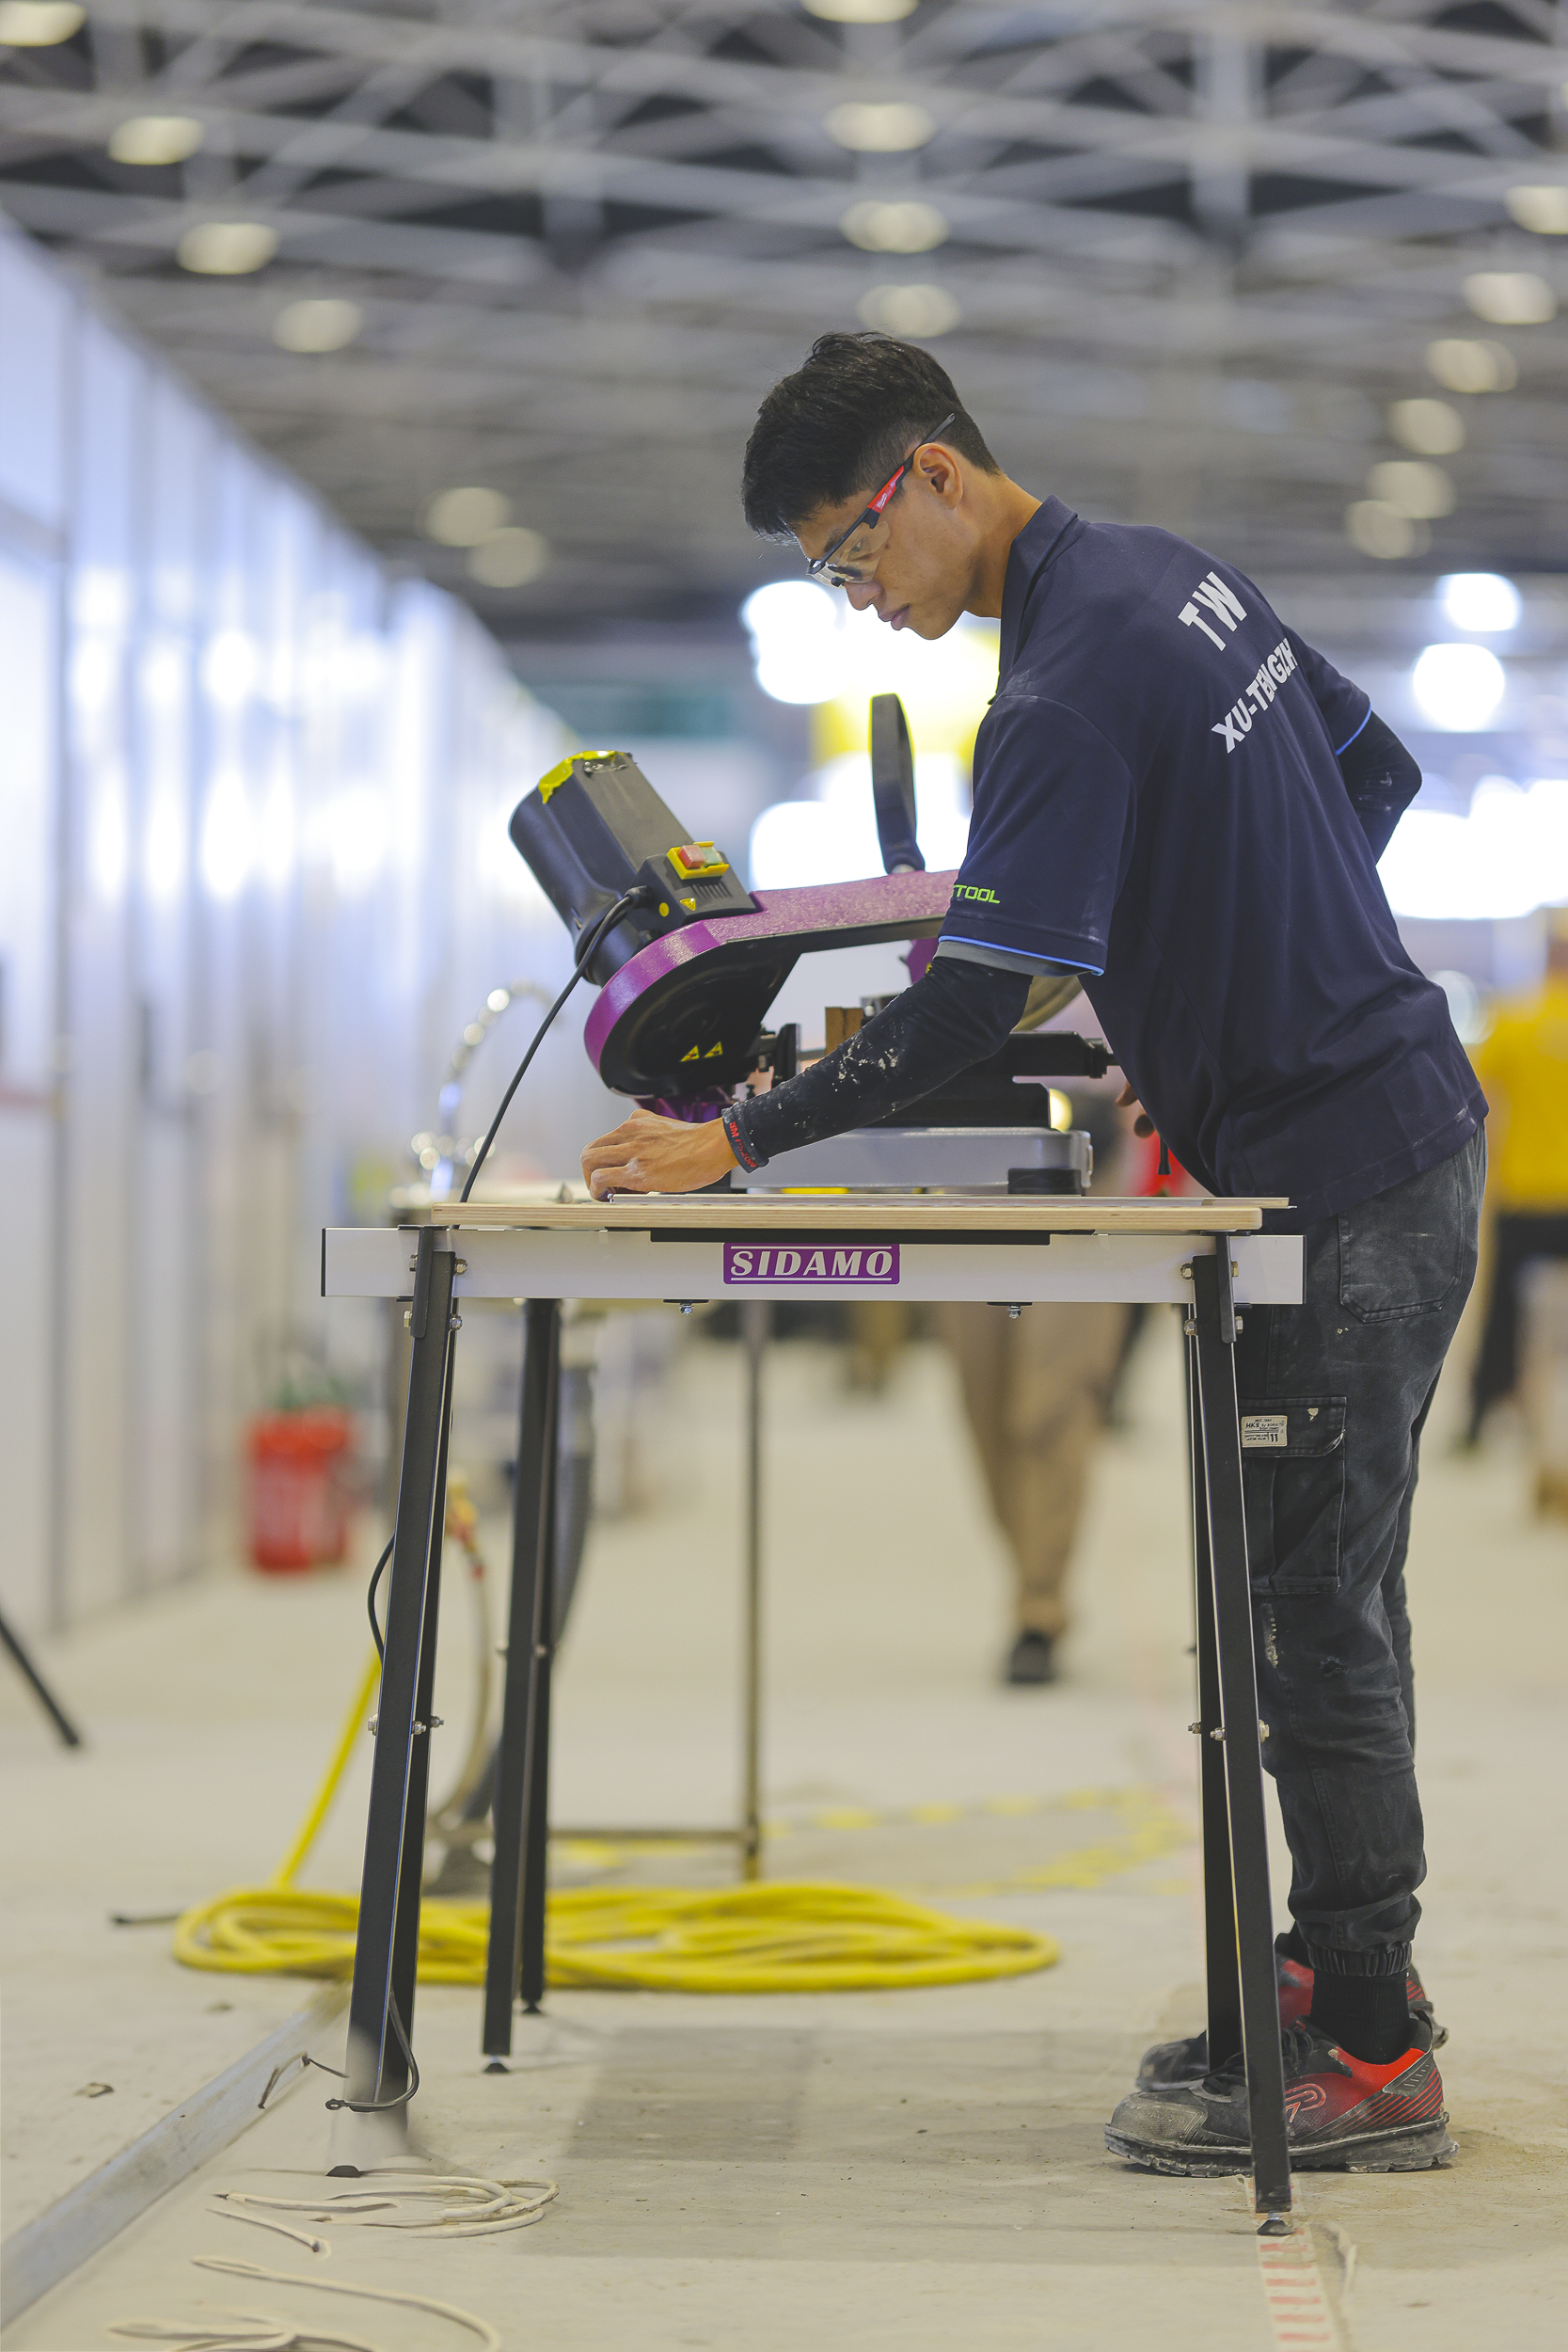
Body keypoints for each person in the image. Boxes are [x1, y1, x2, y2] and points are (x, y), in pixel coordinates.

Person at [581, 333, 1485, 2175]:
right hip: (1385, 1121)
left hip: (1343, 1171)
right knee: (1307, 1590)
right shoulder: (1174, 578)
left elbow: (961, 1016)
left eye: (847, 554)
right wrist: (1239, 966)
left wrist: (730, 1139)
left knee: (1313, 1613)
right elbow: (1366, 775)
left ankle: (1369, 2049)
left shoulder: (1058, 692)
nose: (855, 599)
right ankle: (1318, 1983)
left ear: (927, 474)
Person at [1464, 909, 1568, 1445]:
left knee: (1503, 1314)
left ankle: (1480, 1418)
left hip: (1524, 1194)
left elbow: (1470, 1103)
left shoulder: (1514, 1020)